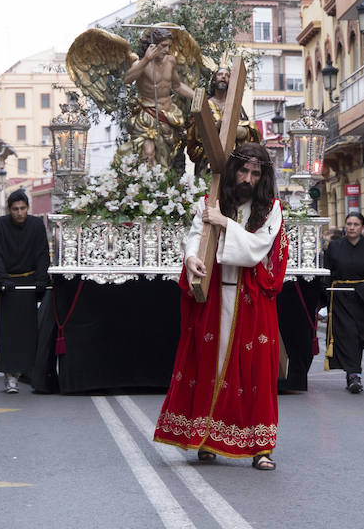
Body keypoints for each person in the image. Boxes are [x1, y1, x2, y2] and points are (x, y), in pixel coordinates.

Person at [154, 143, 287, 471]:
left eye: (255, 173)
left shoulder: (271, 209)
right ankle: (206, 439)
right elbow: (195, 236)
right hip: (213, 299)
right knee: (210, 369)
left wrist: (226, 224)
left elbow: (256, 248)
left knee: (255, 371)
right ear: (232, 171)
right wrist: (191, 259)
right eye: (243, 171)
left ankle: (260, 448)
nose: (248, 178)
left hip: (251, 303)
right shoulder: (211, 202)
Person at [0, 190, 50, 394]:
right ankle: (9, 375)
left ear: (28, 208)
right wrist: (2, 281)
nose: (19, 213)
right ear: (9, 209)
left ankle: (28, 371)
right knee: (7, 333)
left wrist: (41, 279)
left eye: (23, 208)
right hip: (7, 285)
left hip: (28, 283)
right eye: (15, 209)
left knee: (28, 331)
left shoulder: (36, 225)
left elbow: (42, 253)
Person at [323, 212, 364, 394]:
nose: (352, 227)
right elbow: (325, 272)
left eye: (356, 224)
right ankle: (354, 375)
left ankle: (352, 371)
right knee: (347, 335)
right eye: (349, 224)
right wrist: (323, 297)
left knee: (360, 337)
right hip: (340, 298)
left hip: (363, 298)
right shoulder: (334, 247)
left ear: (362, 227)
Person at [120, 27, 197, 167]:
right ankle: (146, 185)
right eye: (163, 46)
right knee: (148, 154)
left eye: (168, 46)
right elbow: (127, 79)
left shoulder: (170, 61)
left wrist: (198, 97)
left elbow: (177, 85)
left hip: (168, 116)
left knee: (165, 159)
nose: (166, 50)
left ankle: (159, 186)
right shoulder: (141, 64)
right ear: (152, 46)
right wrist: (146, 59)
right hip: (148, 116)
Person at [184, 67, 260, 168]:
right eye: (220, 74)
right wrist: (216, 127)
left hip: (232, 162)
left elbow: (249, 133)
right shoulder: (204, 104)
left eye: (227, 75)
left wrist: (238, 131)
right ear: (214, 80)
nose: (224, 77)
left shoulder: (236, 107)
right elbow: (194, 133)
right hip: (208, 162)